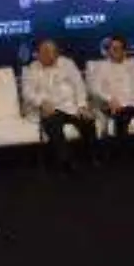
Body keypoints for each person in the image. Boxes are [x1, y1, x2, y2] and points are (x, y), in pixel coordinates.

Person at [21, 39, 97, 169]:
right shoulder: (31, 68)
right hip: (49, 108)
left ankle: (91, 156)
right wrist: (41, 102)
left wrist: (82, 105)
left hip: (70, 106)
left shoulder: (68, 64)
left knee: (88, 121)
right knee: (53, 125)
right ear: (38, 54)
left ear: (56, 54)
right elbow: (27, 93)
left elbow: (79, 86)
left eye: (49, 52)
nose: (45, 56)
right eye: (42, 53)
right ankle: (66, 162)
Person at [87, 35, 134, 153]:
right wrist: (109, 99)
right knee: (123, 119)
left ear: (124, 51)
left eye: (117, 49)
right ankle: (124, 154)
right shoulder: (102, 67)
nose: (114, 52)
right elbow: (94, 88)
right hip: (117, 105)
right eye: (112, 49)